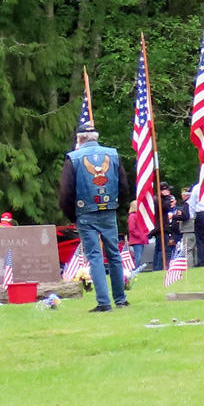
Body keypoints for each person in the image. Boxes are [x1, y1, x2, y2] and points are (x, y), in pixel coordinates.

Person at [58, 129, 134, 312]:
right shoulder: (112, 155)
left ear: (79, 139)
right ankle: (121, 299)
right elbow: (123, 185)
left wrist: (73, 216)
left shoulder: (73, 158)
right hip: (108, 210)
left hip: (85, 212)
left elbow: (66, 192)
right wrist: (117, 207)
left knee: (95, 256)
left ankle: (104, 302)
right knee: (114, 254)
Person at [126, 201, 148, 270]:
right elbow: (131, 229)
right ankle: (135, 269)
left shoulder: (137, 216)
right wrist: (139, 235)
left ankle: (136, 269)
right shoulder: (132, 216)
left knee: (139, 256)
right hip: (136, 240)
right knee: (138, 256)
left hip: (140, 239)